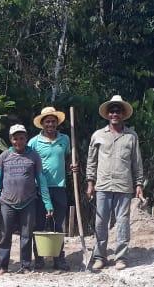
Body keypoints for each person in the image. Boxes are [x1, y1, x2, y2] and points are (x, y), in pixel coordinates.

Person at [85, 95, 144, 270]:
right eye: (112, 111)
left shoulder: (131, 137)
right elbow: (91, 161)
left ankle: (121, 258)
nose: (114, 114)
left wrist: (139, 184)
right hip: (102, 185)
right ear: (107, 114)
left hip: (124, 185)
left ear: (123, 114)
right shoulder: (98, 136)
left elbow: (137, 162)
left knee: (123, 222)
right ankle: (99, 257)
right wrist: (90, 182)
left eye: (118, 111)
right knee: (101, 222)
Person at [0, 124, 54, 274]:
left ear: (26, 139)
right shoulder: (4, 156)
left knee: (26, 235)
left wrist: (47, 203)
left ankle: (25, 265)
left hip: (28, 201)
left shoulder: (33, 156)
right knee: (5, 234)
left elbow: (41, 180)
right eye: (15, 138)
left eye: (21, 138)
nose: (18, 141)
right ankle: (3, 266)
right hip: (7, 202)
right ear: (11, 140)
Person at [29, 106, 75, 270]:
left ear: (57, 123)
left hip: (59, 187)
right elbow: (28, 162)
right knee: (39, 224)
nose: (50, 124)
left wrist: (72, 166)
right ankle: (39, 258)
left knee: (58, 224)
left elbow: (69, 158)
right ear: (42, 124)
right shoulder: (34, 142)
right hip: (40, 188)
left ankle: (58, 258)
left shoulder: (65, 139)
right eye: (47, 121)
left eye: (53, 121)